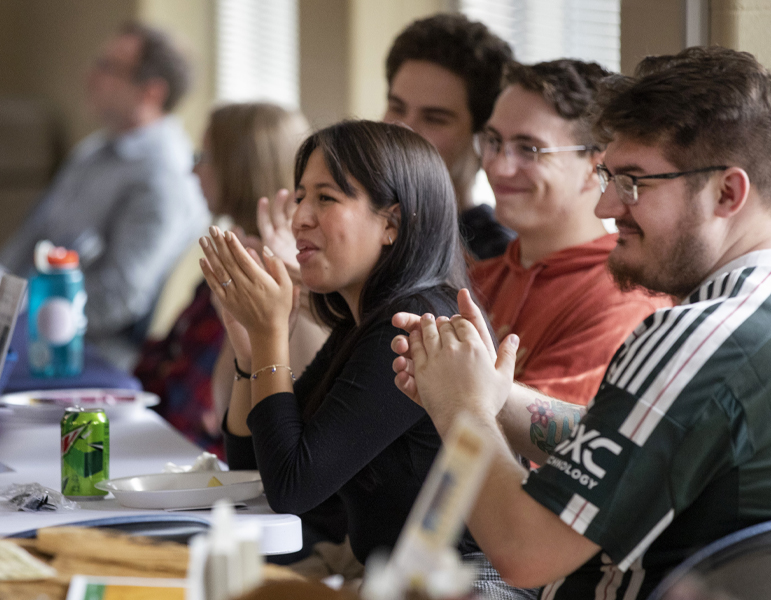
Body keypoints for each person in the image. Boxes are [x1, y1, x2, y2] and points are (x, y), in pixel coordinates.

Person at [391, 47, 771, 599]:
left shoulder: (697, 336)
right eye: (609, 176)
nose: (607, 205)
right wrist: (495, 397)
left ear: (727, 192)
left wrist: (460, 410)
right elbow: (633, 442)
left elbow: (524, 551)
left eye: (633, 182)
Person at [200, 120, 533, 599]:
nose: (300, 218)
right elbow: (254, 468)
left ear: (391, 224)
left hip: (470, 584)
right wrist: (252, 352)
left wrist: (273, 333)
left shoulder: (413, 327)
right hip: (404, 580)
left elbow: (292, 488)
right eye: (299, 197)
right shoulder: (363, 324)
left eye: (326, 198)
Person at [0, 22, 207, 369]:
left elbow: (118, 298)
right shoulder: (93, 151)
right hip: (19, 327)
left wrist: (22, 318)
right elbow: (30, 239)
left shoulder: (165, 176)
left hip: (80, 350)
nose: (90, 75)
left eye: (108, 68)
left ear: (151, 92)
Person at [471, 60, 669, 405]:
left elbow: (531, 448)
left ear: (596, 168)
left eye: (529, 149)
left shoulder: (622, 301)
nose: (499, 167)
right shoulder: (478, 277)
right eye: (493, 141)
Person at [134, 102, 325, 458]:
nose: (194, 170)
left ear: (240, 168)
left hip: (198, 453)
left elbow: (209, 411)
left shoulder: (276, 272)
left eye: (203, 156)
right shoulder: (235, 251)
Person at [384, 13, 516, 260]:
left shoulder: (497, 256)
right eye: (397, 108)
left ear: (485, 138)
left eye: (434, 118)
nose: (404, 129)